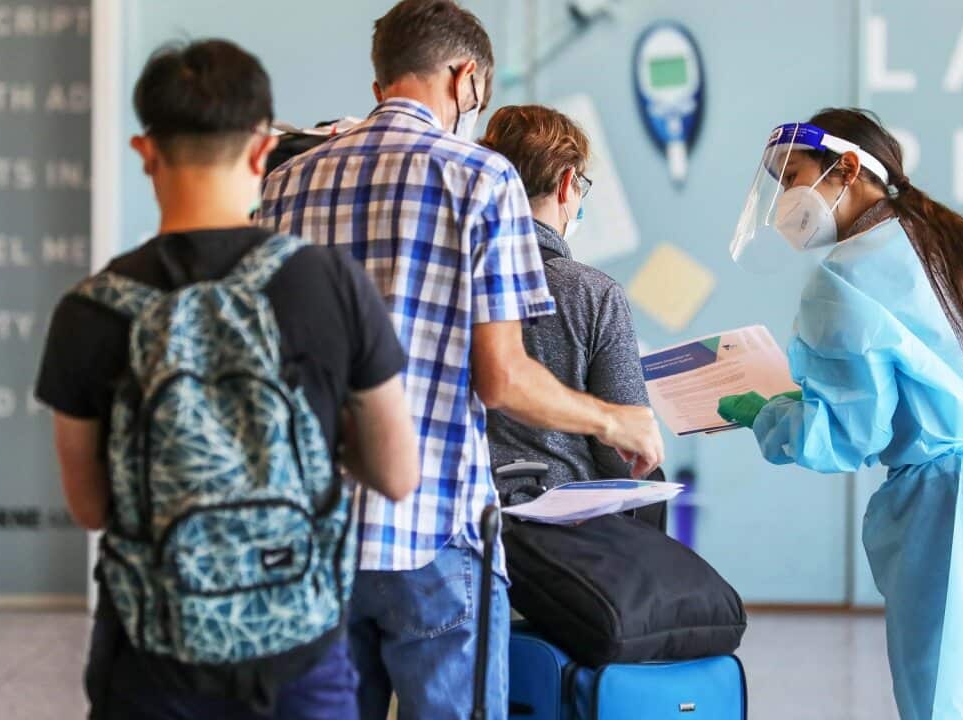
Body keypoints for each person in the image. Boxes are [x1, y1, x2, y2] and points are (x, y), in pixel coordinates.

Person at [259, 2, 664, 718]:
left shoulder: (285, 183)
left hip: (312, 532)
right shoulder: (481, 179)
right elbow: (501, 377)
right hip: (435, 525)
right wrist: (613, 421)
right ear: (467, 78)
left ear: (382, 76)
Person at [36, 39, 419, 719]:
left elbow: (91, 507)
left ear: (144, 151)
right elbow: (396, 473)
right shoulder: (331, 284)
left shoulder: (89, 309)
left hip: (150, 660)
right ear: (262, 149)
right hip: (299, 653)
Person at [718, 109, 963, 720]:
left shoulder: (843, 278)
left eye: (792, 175)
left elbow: (852, 434)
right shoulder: (953, 240)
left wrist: (770, 415)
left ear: (846, 168)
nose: (783, 199)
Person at [478, 105, 651, 488]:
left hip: (464, 518)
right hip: (566, 528)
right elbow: (625, 458)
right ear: (566, 181)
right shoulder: (593, 294)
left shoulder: (453, 276)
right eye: (580, 187)